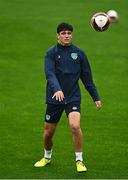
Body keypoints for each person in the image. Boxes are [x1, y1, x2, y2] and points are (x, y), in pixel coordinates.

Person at [34, 22, 102, 172]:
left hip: (72, 96)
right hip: (55, 98)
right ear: (57, 35)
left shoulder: (79, 53)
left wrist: (95, 97)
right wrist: (57, 89)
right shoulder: (50, 53)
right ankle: (47, 156)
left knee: (75, 126)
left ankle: (79, 161)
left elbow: (87, 77)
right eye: (63, 33)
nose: (66, 36)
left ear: (72, 35)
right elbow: (49, 74)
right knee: (48, 133)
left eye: (69, 33)